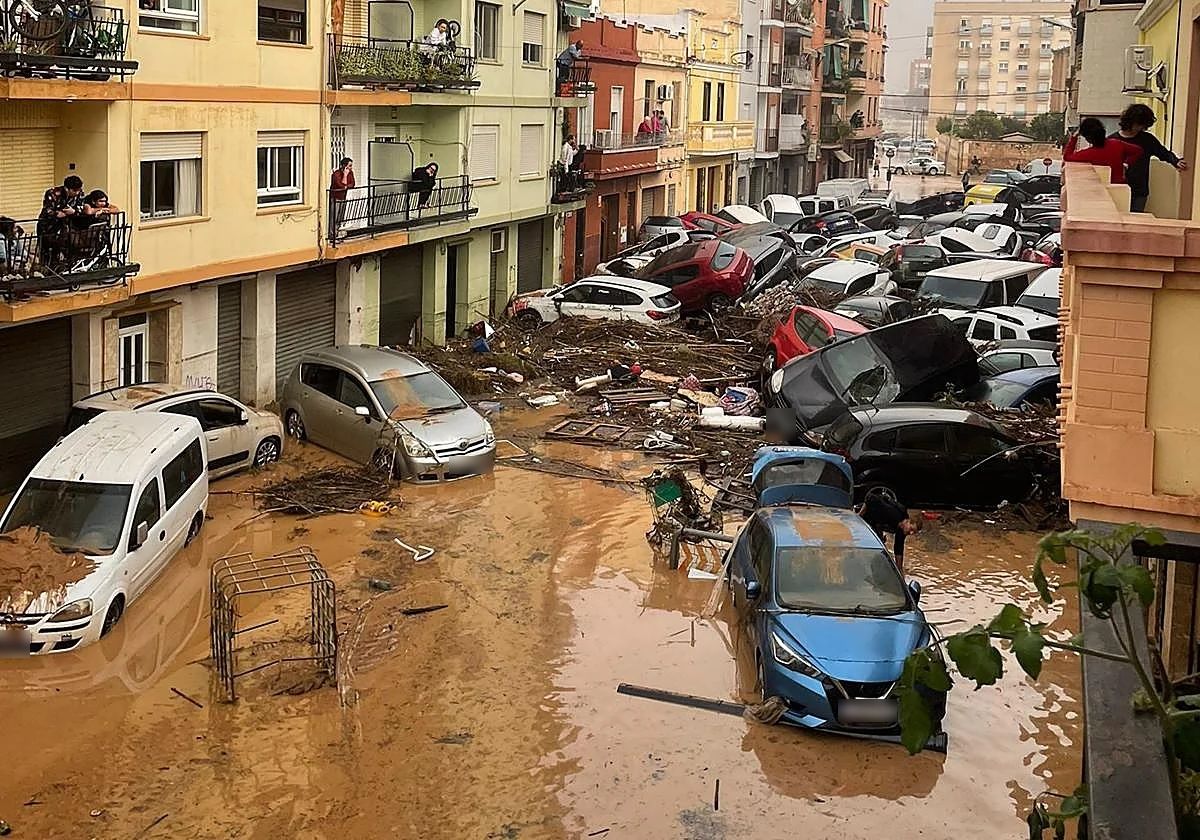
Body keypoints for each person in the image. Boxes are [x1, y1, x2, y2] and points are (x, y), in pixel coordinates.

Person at [1110, 102, 1188, 213]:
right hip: (1117, 190)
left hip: (1140, 191)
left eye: (1143, 125)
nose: (1141, 128)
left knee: (1136, 222)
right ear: (1130, 121)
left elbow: (1163, 153)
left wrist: (1176, 161)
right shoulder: (1112, 141)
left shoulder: (1147, 139)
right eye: (1139, 124)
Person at [857, 486, 919, 574]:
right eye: (912, 529)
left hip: (875, 523)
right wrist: (859, 516)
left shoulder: (901, 531)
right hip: (866, 514)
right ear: (908, 521)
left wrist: (899, 570)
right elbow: (871, 497)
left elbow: (898, 549)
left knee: (881, 549)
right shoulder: (893, 513)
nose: (911, 533)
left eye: (913, 532)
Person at [1063, 117, 1142, 186]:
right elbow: (1138, 150)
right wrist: (1126, 164)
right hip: (1121, 188)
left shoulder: (1087, 154)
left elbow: (1067, 156)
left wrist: (1074, 137)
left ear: (1088, 138)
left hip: (1100, 188)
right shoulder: (1117, 144)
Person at [37, 175, 84, 268]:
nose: (77, 193)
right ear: (67, 189)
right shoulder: (53, 193)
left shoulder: (79, 193)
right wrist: (60, 213)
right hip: (47, 225)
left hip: (65, 226)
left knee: (65, 248)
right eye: (74, 191)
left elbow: (81, 208)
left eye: (78, 190)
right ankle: (46, 271)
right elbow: (48, 210)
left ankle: (63, 269)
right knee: (45, 250)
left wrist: (73, 211)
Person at [329, 158, 355, 234]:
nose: (351, 168)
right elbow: (340, 185)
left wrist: (345, 186)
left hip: (343, 197)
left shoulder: (351, 173)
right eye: (349, 166)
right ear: (344, 166)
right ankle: (332, 235)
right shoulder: (336, 174)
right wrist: (345, 175)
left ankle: (336, 232)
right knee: (334, 217)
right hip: (335, 198)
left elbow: (352, 184)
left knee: (340, 217)